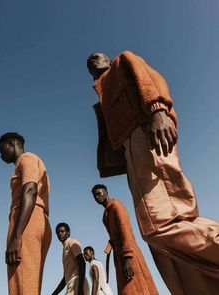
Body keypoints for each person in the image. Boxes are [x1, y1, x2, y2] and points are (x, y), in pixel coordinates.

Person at [87, 51, 219, 294]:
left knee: (160, 225)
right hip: (131, 150)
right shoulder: (104, 88)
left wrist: (158, 110)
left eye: (97, 56)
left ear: (109, 60)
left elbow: (147, 78)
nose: (92, 60)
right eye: (89, 64)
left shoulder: (123, 62)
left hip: (147, 133)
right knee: (164, 250)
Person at [0, 132, 52, 295]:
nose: (1, 155)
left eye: (2, 150)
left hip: (26, 221)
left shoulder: (26, 159)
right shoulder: (34, 161)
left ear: (12, 143)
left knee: (21, 285)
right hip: (37, 219)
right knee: (30, 284)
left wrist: (16, 237)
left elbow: (30, 190)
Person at [91, 184, 159, 295]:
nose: (97, 197)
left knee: (137, 286)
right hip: (118, 256)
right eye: (95, 196)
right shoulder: (105, 216)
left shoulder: (116, 206)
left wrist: (128, 257)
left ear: (106, 192)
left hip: (129, 252)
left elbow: (125, 230)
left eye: (99, 193)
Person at [52, 222, 89, 295]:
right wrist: (54, 293)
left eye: (62, 231)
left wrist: (80, 288)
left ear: (68, 233)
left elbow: (82, 263)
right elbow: (65, 279)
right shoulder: (64, 249)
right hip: (71, 284)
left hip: (77, 282)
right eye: (58, 232)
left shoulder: (71, 242)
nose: (59, 234)